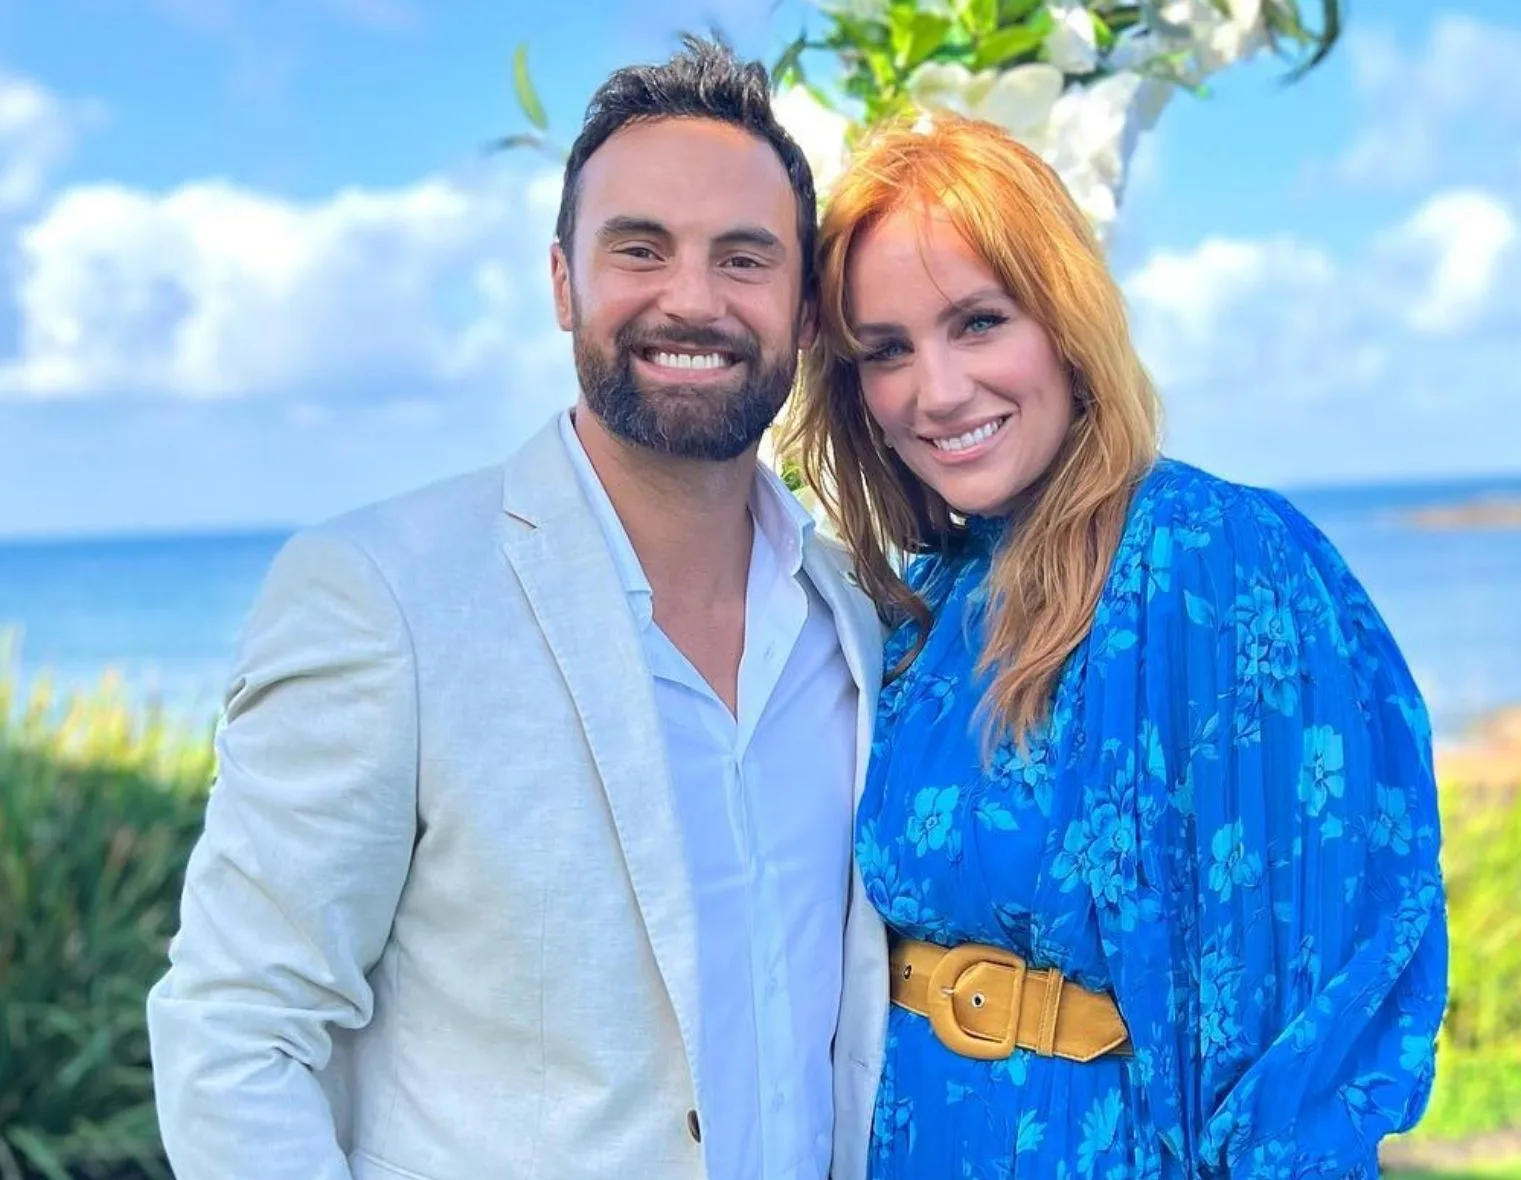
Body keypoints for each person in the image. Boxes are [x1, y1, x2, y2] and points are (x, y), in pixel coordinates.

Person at [147, 37, 890, 1180]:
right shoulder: (384, 597)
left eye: (745, 259)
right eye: (639, 249)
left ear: (802, 313)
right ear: (562, 283)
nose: (691, 298)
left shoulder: (851, 622)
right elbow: (236, 1030)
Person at [782, 112, 1448, 1180]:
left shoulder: (1213, 558)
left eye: (979, 322)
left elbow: (1306, 999)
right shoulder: (924, 601)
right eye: (887, 351)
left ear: (1065, 317)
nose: (937, 391)